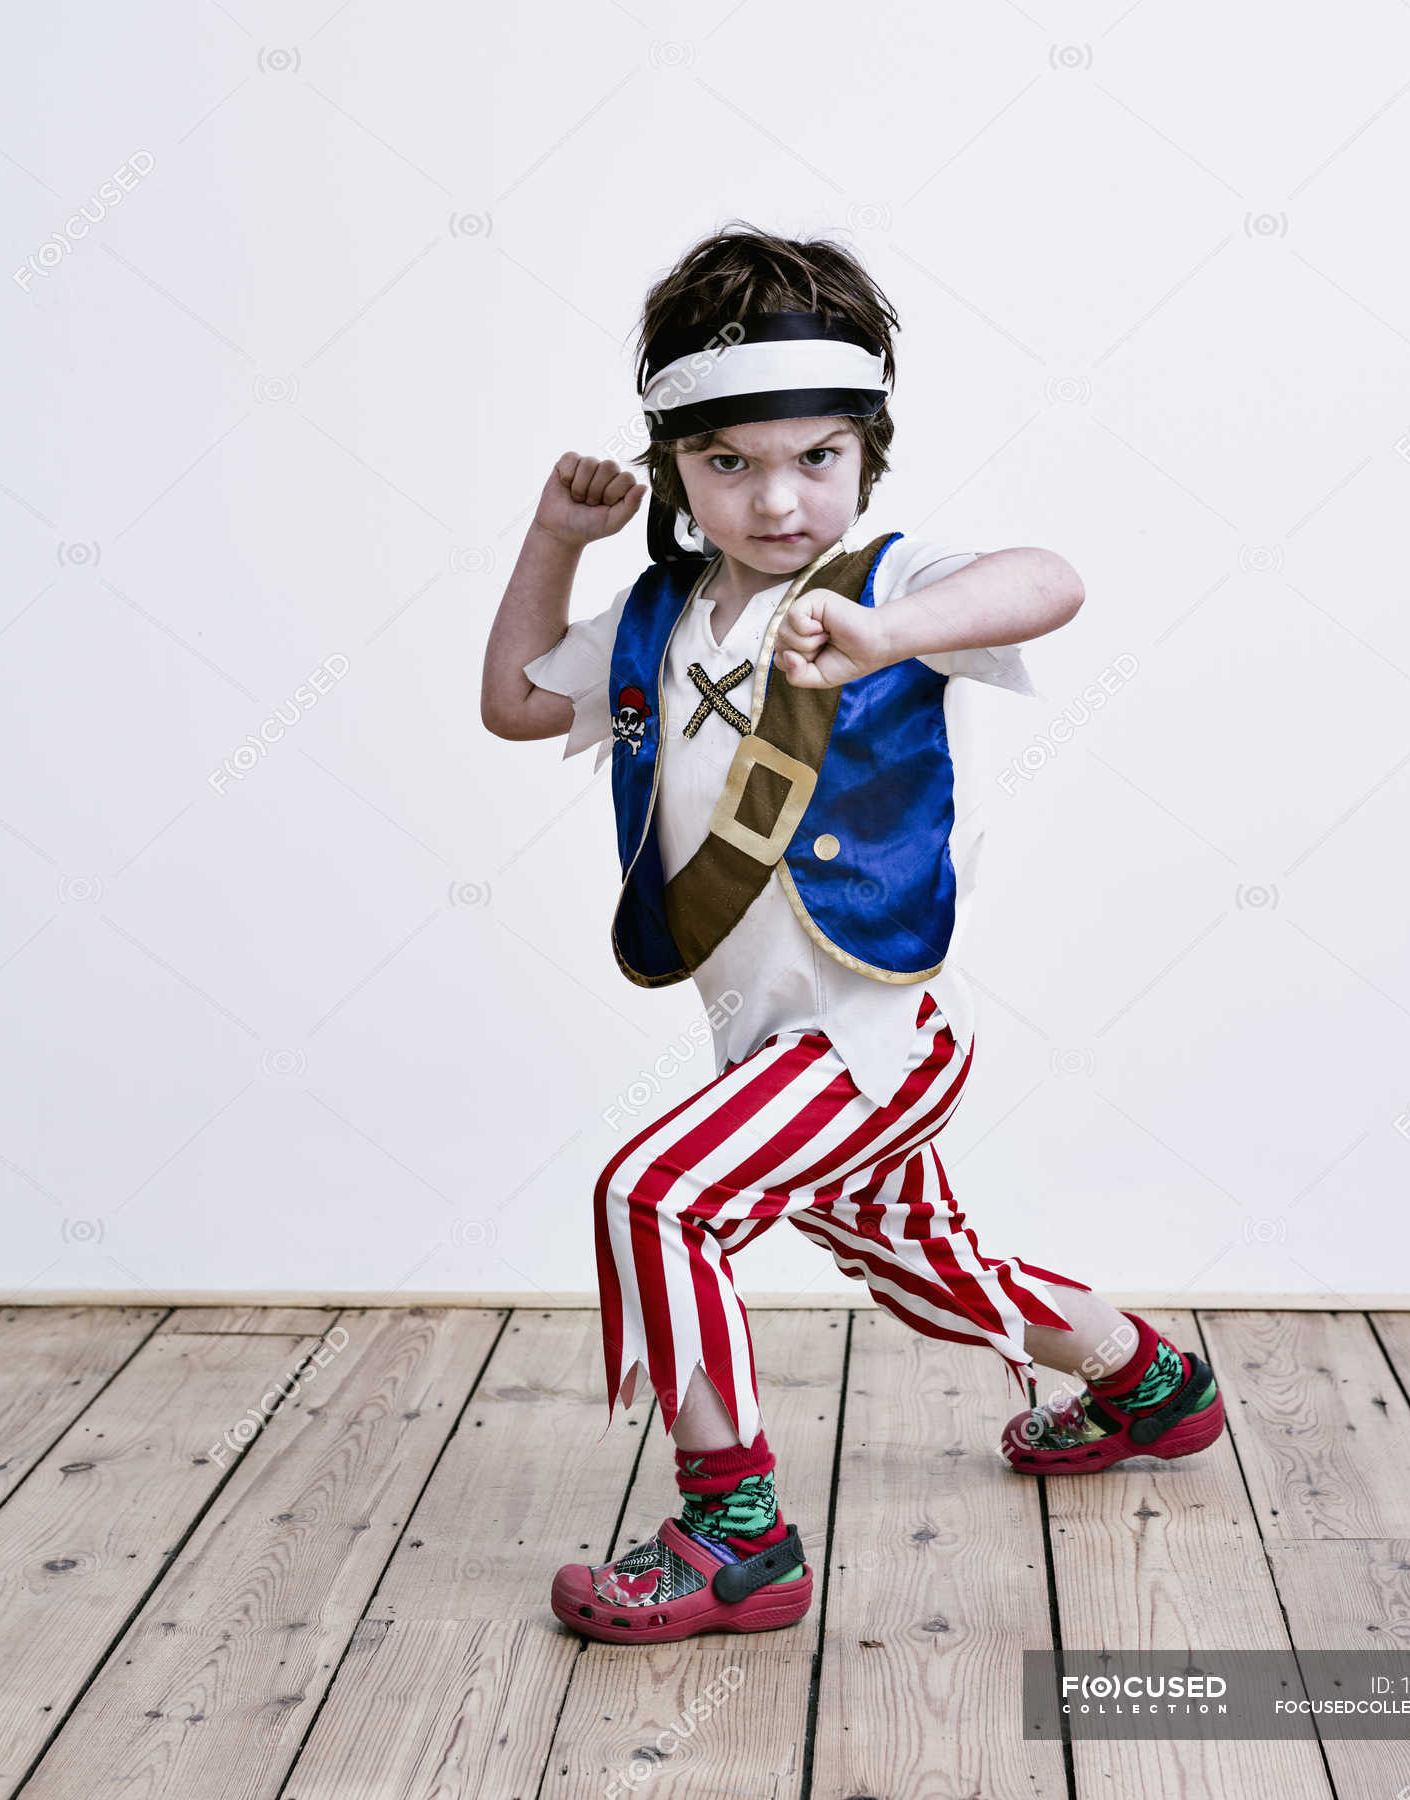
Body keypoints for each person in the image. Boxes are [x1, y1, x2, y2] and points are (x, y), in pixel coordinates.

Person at [481, 223, 1224, 1646]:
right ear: (675, 470)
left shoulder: (893, 584)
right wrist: (552, 539)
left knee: (658, 1197)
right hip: (762, 1037)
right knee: (939, 1279)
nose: (777, 500)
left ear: (865, 455)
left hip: (870, 1035)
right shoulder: (653, 616)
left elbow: (1050, 577)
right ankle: (1151, 1387)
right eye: (731, 464)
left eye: (816, 457)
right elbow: (517, 702)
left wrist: (893, 636)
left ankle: (732, 1537)